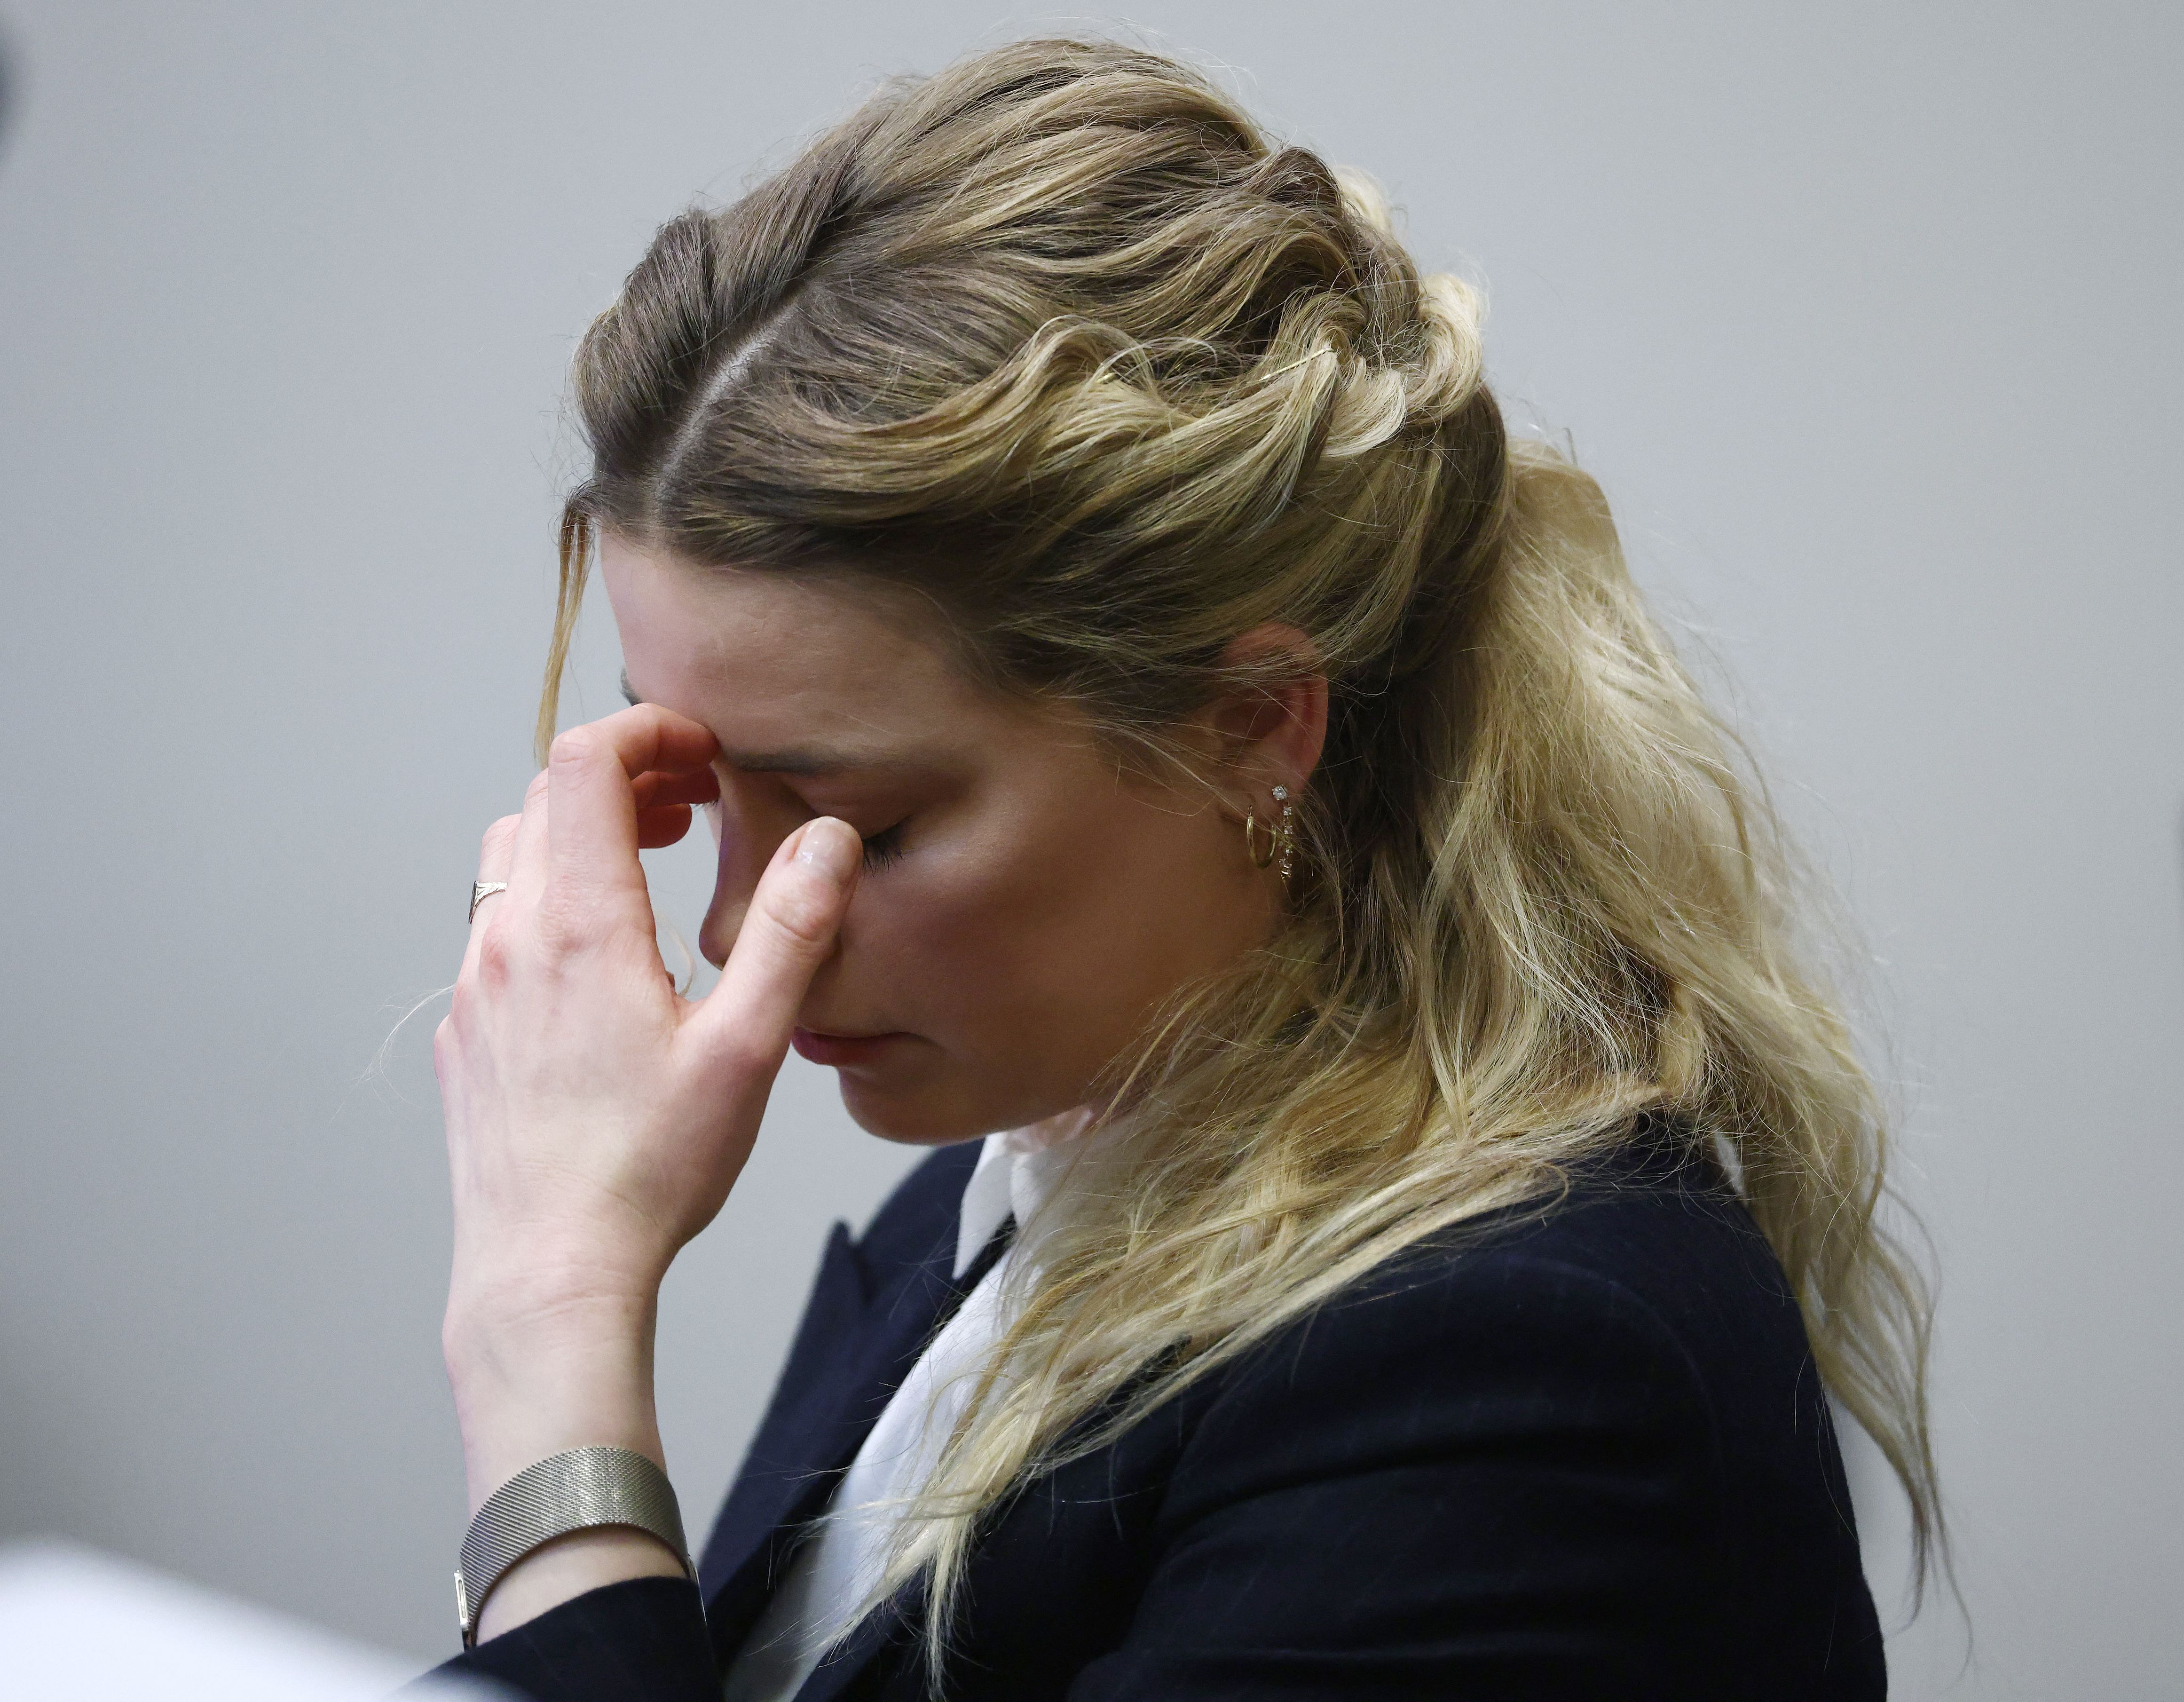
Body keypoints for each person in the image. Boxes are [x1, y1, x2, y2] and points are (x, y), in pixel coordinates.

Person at [421, 37, 1935, 1702]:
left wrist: (550, 1329)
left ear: (1246, 725)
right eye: (705, 789)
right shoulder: (1011, 1185)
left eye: (872, 823)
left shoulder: (1516, 1367)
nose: (737, 936)